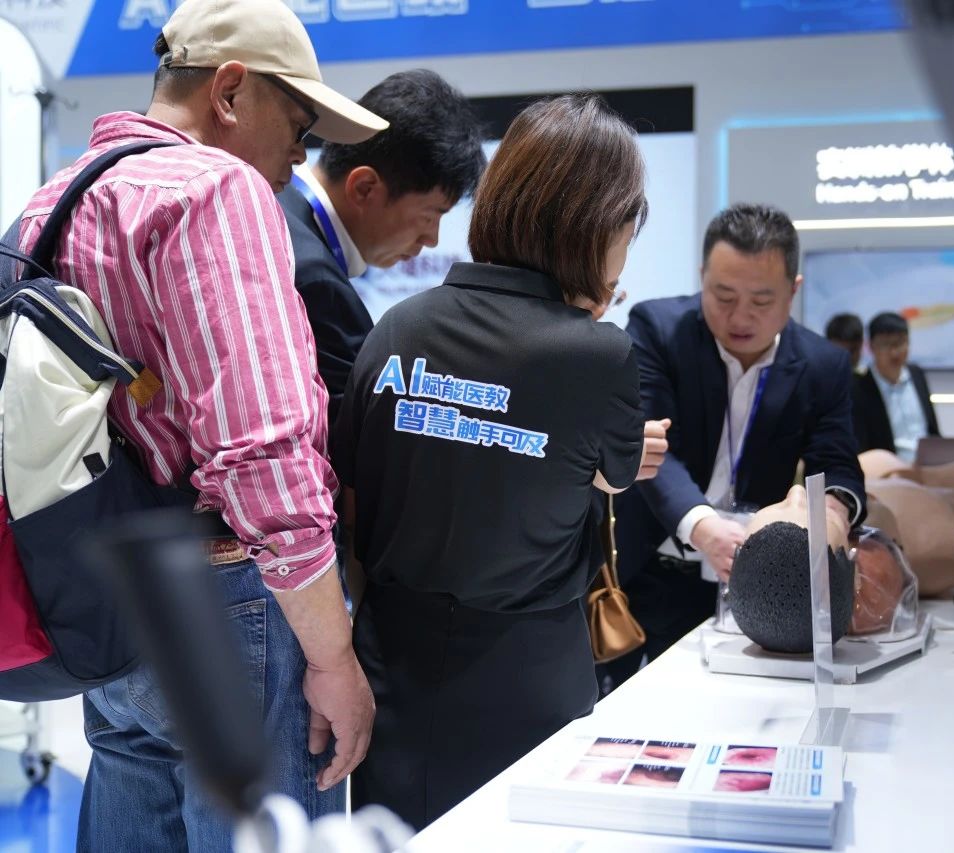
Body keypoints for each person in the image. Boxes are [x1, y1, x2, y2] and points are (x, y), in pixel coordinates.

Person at [9, 0, 387, 848]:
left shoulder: (56, 201)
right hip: (233, 595)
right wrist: (333, 657)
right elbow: (262, 451)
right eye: (298, 125)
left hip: (110, 597)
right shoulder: (216, 188)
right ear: (229, 91)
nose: (301, 157)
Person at [334, 94, 665, 829]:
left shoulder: (397, 328)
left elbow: (354, 505)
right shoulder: (598, 355)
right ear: (601, 226)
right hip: (528, 679)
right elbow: (614, 472)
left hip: (391, 665)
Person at [603, 203, 867, 689]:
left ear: (793, 291)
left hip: (760, 586)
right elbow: (648, 445)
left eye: (762, 301)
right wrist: (702, 526)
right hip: (651, 568)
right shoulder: (657, 329)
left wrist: (829, 517)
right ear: (702, 276)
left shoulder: (822, 365)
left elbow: (837, 463)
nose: (740, 316)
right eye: (723, 295)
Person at [281, 69, 486, 432]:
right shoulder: (315, 281)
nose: (432, 239)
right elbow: (359, 440)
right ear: (364, 187)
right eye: (430, 215)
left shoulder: (272, 199)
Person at [852, 311, 940, 462]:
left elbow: (932, 430)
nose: (894, 352)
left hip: (927, 464)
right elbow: (862, 443)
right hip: (886, 468)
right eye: (885, 344)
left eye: (900, 343)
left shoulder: (917, 374)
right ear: (871, 346)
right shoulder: (859, 386)